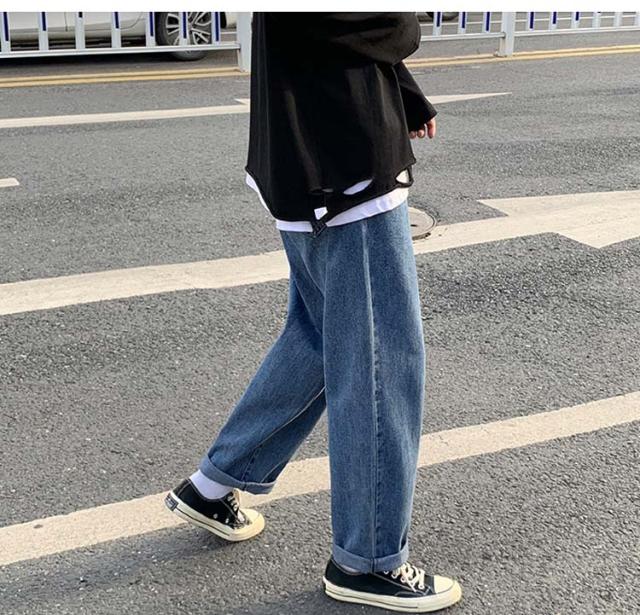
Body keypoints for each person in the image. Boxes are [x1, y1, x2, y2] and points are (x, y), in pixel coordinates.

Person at [165, 12, 462, 613]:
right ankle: (368, 561)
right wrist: (406, 26)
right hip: (342, 162)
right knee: (379, 361)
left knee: (321, 338)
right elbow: (365, 19)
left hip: (309, 150)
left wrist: (404, 91)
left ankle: (214, 485)